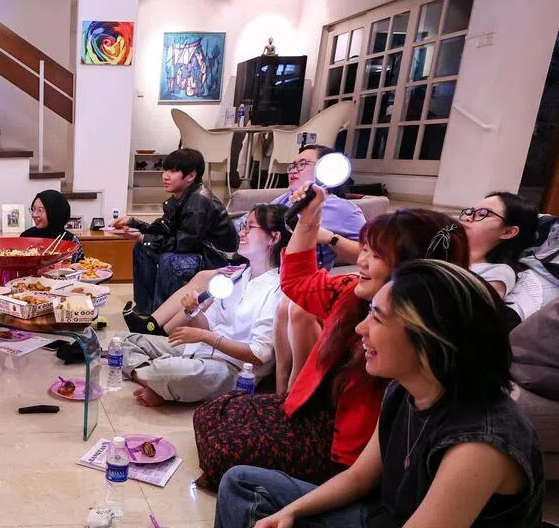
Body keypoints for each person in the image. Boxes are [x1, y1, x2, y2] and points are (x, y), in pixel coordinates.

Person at [213, 260, 543, 528]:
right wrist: (289, 513)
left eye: (377, 318)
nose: (360, 330)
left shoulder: (481, 443)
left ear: (429, 336)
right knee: (241, 483)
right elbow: (358, 478)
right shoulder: (407, 387)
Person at [192, 190, 470, 490]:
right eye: (363, 249)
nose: (361, 260)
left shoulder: (417, 338)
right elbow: (298, 282)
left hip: (344, 450)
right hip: (314, 412)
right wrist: (309, 218)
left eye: (375, 255)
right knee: (213, 412)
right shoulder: (352, 291)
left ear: (414, 269)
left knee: (227, 450)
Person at [121, 203, 289, 406]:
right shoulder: (236, 276)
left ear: (274, 237)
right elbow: (207, 324)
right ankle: (158, 383)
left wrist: (205, 337)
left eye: (250, 227)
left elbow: (258, 355)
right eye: (243, 226)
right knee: (125, 341)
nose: (242, 232)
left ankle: (159, 379)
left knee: (175, 372)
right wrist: (194, 311)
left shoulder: (277, 289)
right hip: (199, 350)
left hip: (230, 368)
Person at [271, 145, 366, 394]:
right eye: (292, 165)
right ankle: (280, 385)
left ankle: (291, 389)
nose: (294, 170)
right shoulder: (282, 201)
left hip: (303, 279)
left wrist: (328, 237)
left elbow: (367, 253)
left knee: (289, 306)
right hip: (270, 271)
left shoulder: (344, 210)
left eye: (303, 164)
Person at [111, 148, 237, 312]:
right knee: (142, 248)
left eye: (173, 171)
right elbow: (163, 229)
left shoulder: (199, 201)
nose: (165, 176)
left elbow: (181, 244)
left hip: (214, 259)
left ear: (191, 176)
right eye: (165, 170)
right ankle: (145, 310)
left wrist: (144, 237)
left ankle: (162, 315)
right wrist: (133, 222)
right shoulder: (181, 197)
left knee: (170, 259)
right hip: (195, 251)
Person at [460, 191, 540, 321]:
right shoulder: (445, 250)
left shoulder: (499, 272)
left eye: (482, 214)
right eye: (470, 212)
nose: (468, 218)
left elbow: (470, 315)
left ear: (508, 232)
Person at [20, 190, 84, 262]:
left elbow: (80, 269)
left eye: (40, 210)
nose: (34, 214)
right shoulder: (26, 236)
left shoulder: (71, 240)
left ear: (54, 212)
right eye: (33, 209)